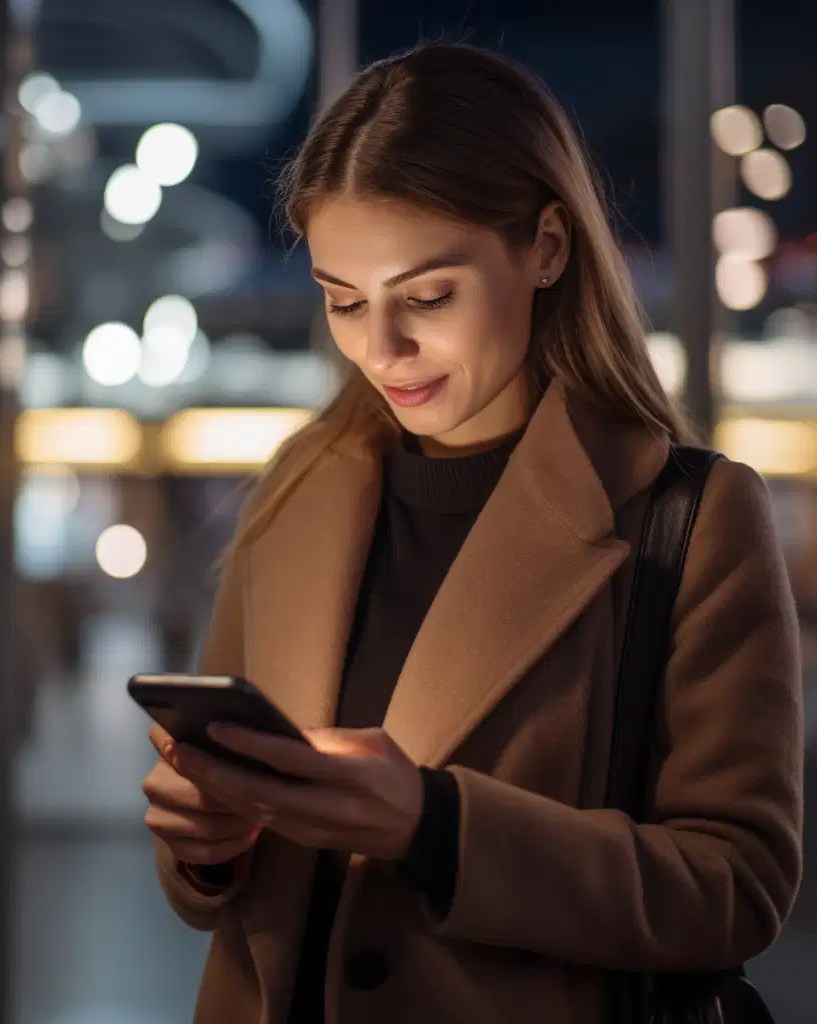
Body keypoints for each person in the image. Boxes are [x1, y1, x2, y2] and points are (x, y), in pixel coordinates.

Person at [141, 43, 804, 1024]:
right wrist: (203, 839)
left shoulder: (691, 517)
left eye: (428, 296)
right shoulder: (297, 490)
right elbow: (223, 896)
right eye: (342, 300)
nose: (381, 348)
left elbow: (737, 887)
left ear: (545, 247)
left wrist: (438, 825)